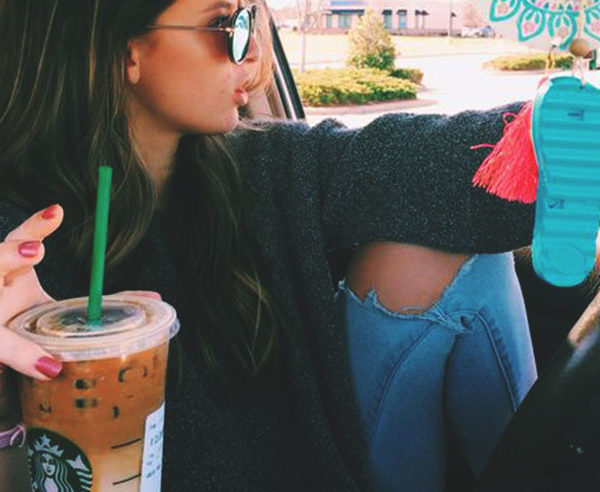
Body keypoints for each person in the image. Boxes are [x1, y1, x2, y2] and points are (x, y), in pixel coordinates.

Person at [0, 0, 537, 490]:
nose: (254, 52)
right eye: (223, 25)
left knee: (459, 251)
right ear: (126, 53)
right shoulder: (21, 241)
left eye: (248, 20)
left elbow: (413, 163)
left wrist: (544, 136)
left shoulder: (262, 169)